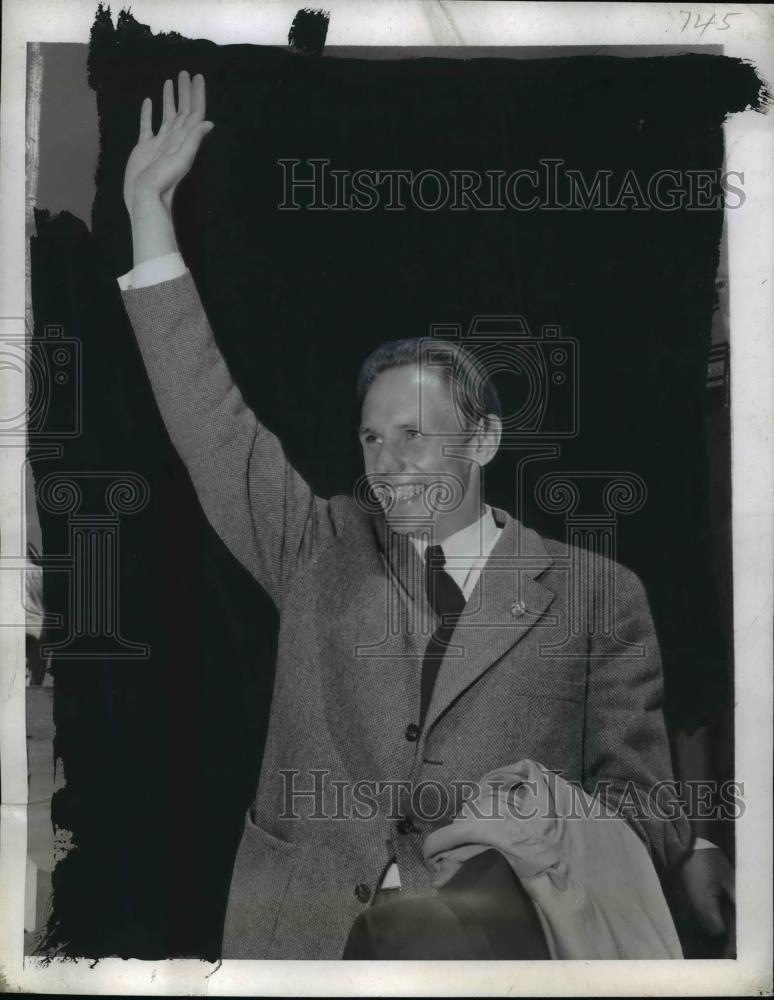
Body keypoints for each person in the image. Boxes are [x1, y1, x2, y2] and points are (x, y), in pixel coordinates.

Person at [118, 70, 722, 960]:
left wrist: (547, 840)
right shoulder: (317, 544)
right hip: (301, 939)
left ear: (482, 442)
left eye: (412, 436)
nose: (385, 465)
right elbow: (213, 424)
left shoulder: (599, 593)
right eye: (369, 439)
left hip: (487, 958)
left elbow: (634, 810)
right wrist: (148, 213)